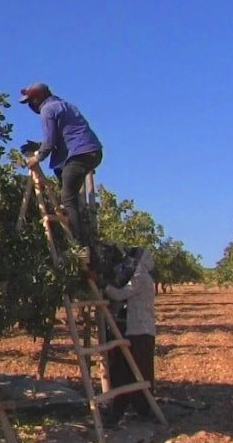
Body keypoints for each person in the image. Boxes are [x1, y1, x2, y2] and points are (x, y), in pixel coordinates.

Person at [19, 83, 103, 250]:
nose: (31, 105)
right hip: (91, 151)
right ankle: (80, 225)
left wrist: (37, 157)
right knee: (66, 184)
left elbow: (50, 142)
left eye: (31, 101)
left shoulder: (47, 110)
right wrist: (39, 146)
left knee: (68, 198)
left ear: (38, 98)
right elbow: (63, 136)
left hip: (80, 153)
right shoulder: (64, 105)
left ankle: (80, 245)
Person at [103, 247, 158, 425]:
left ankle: (141, 408)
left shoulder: (139, 277)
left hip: (139, 330)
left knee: (135, 369)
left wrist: (102, 284)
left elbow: (120, 294)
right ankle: (140, 408)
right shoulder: (145, 278)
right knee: (138, 369)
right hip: (142, 329)